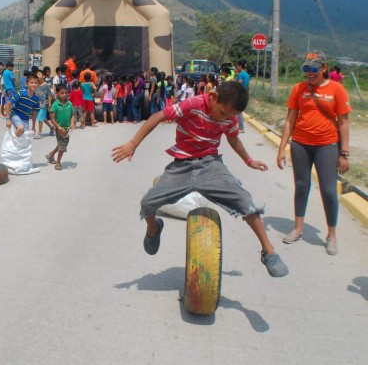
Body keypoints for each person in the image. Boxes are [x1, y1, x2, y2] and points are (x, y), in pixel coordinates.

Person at [112, 81, 289, 278]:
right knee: (147, 203)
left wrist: (249, 161)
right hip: (182, 166)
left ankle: (269, 251)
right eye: (223, 113)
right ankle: (154, 229)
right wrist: (133, 143)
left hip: (210, 165)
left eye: (231, 117)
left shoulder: (229, 118)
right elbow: (158, 116)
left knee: (246, 201)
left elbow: (232, 139)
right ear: (212, 97)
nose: (225, 119)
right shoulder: (193, 104)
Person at [277, 52, 352, 256]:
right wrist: (282, 147)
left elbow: (344, 122)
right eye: (306, 69)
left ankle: (331, 235)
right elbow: (290, 119)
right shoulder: (298, 89)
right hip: (301, 144)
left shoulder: (337, 89)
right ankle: (298, 229)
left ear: (324, 68)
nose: (309, 73)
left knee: (328, 190)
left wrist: (344, 153)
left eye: (313, 69)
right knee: (301, 187)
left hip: (327, 145)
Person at [46, 84, 75, 171]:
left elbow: (72, 114)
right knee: (62, 146)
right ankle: (58, 162)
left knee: (61, 144)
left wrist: (72, 122)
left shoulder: (69, 104)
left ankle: (51, 154)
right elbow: (52, 119)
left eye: (66, 93)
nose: (64, 95)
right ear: (57, 93)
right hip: (59, 129)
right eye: (62, 93)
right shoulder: (55, 105)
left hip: (67, 129)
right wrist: (59, 128)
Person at [5, 71, 40, 137]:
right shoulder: (21, 93)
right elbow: (8, 104)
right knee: (20, 128)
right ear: (26, 84)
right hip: (15, 115)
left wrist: (33, 127)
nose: (34, 84)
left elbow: (34, 113)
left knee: (25, 136)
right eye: (32, 83)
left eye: (36, 83)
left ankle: (16, 142)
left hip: (25, 119)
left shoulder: (36, 99)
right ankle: (12, 143)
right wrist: (8, 119)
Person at [34, 67, 54, 139]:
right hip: (37, 104)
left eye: (39, 74)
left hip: (43, 104)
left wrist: (49, 104)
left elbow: (49, 95)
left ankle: (39, 133)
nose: (37, 75)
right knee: (42, 118)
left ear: (43, 76)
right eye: (37, 74)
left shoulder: (46, 85)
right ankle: (51, 127)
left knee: (40, 118)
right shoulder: (35, 84)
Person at [235, 60, 250, 133]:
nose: (237, 67)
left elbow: (239, 84)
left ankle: (241, 128)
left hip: (240, 94)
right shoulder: (247, 74)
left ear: (240, 66)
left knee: (238, 111)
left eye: (237, 66)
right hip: (245, 93)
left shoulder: (240, 74)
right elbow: (248, 86)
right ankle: (239, 126)